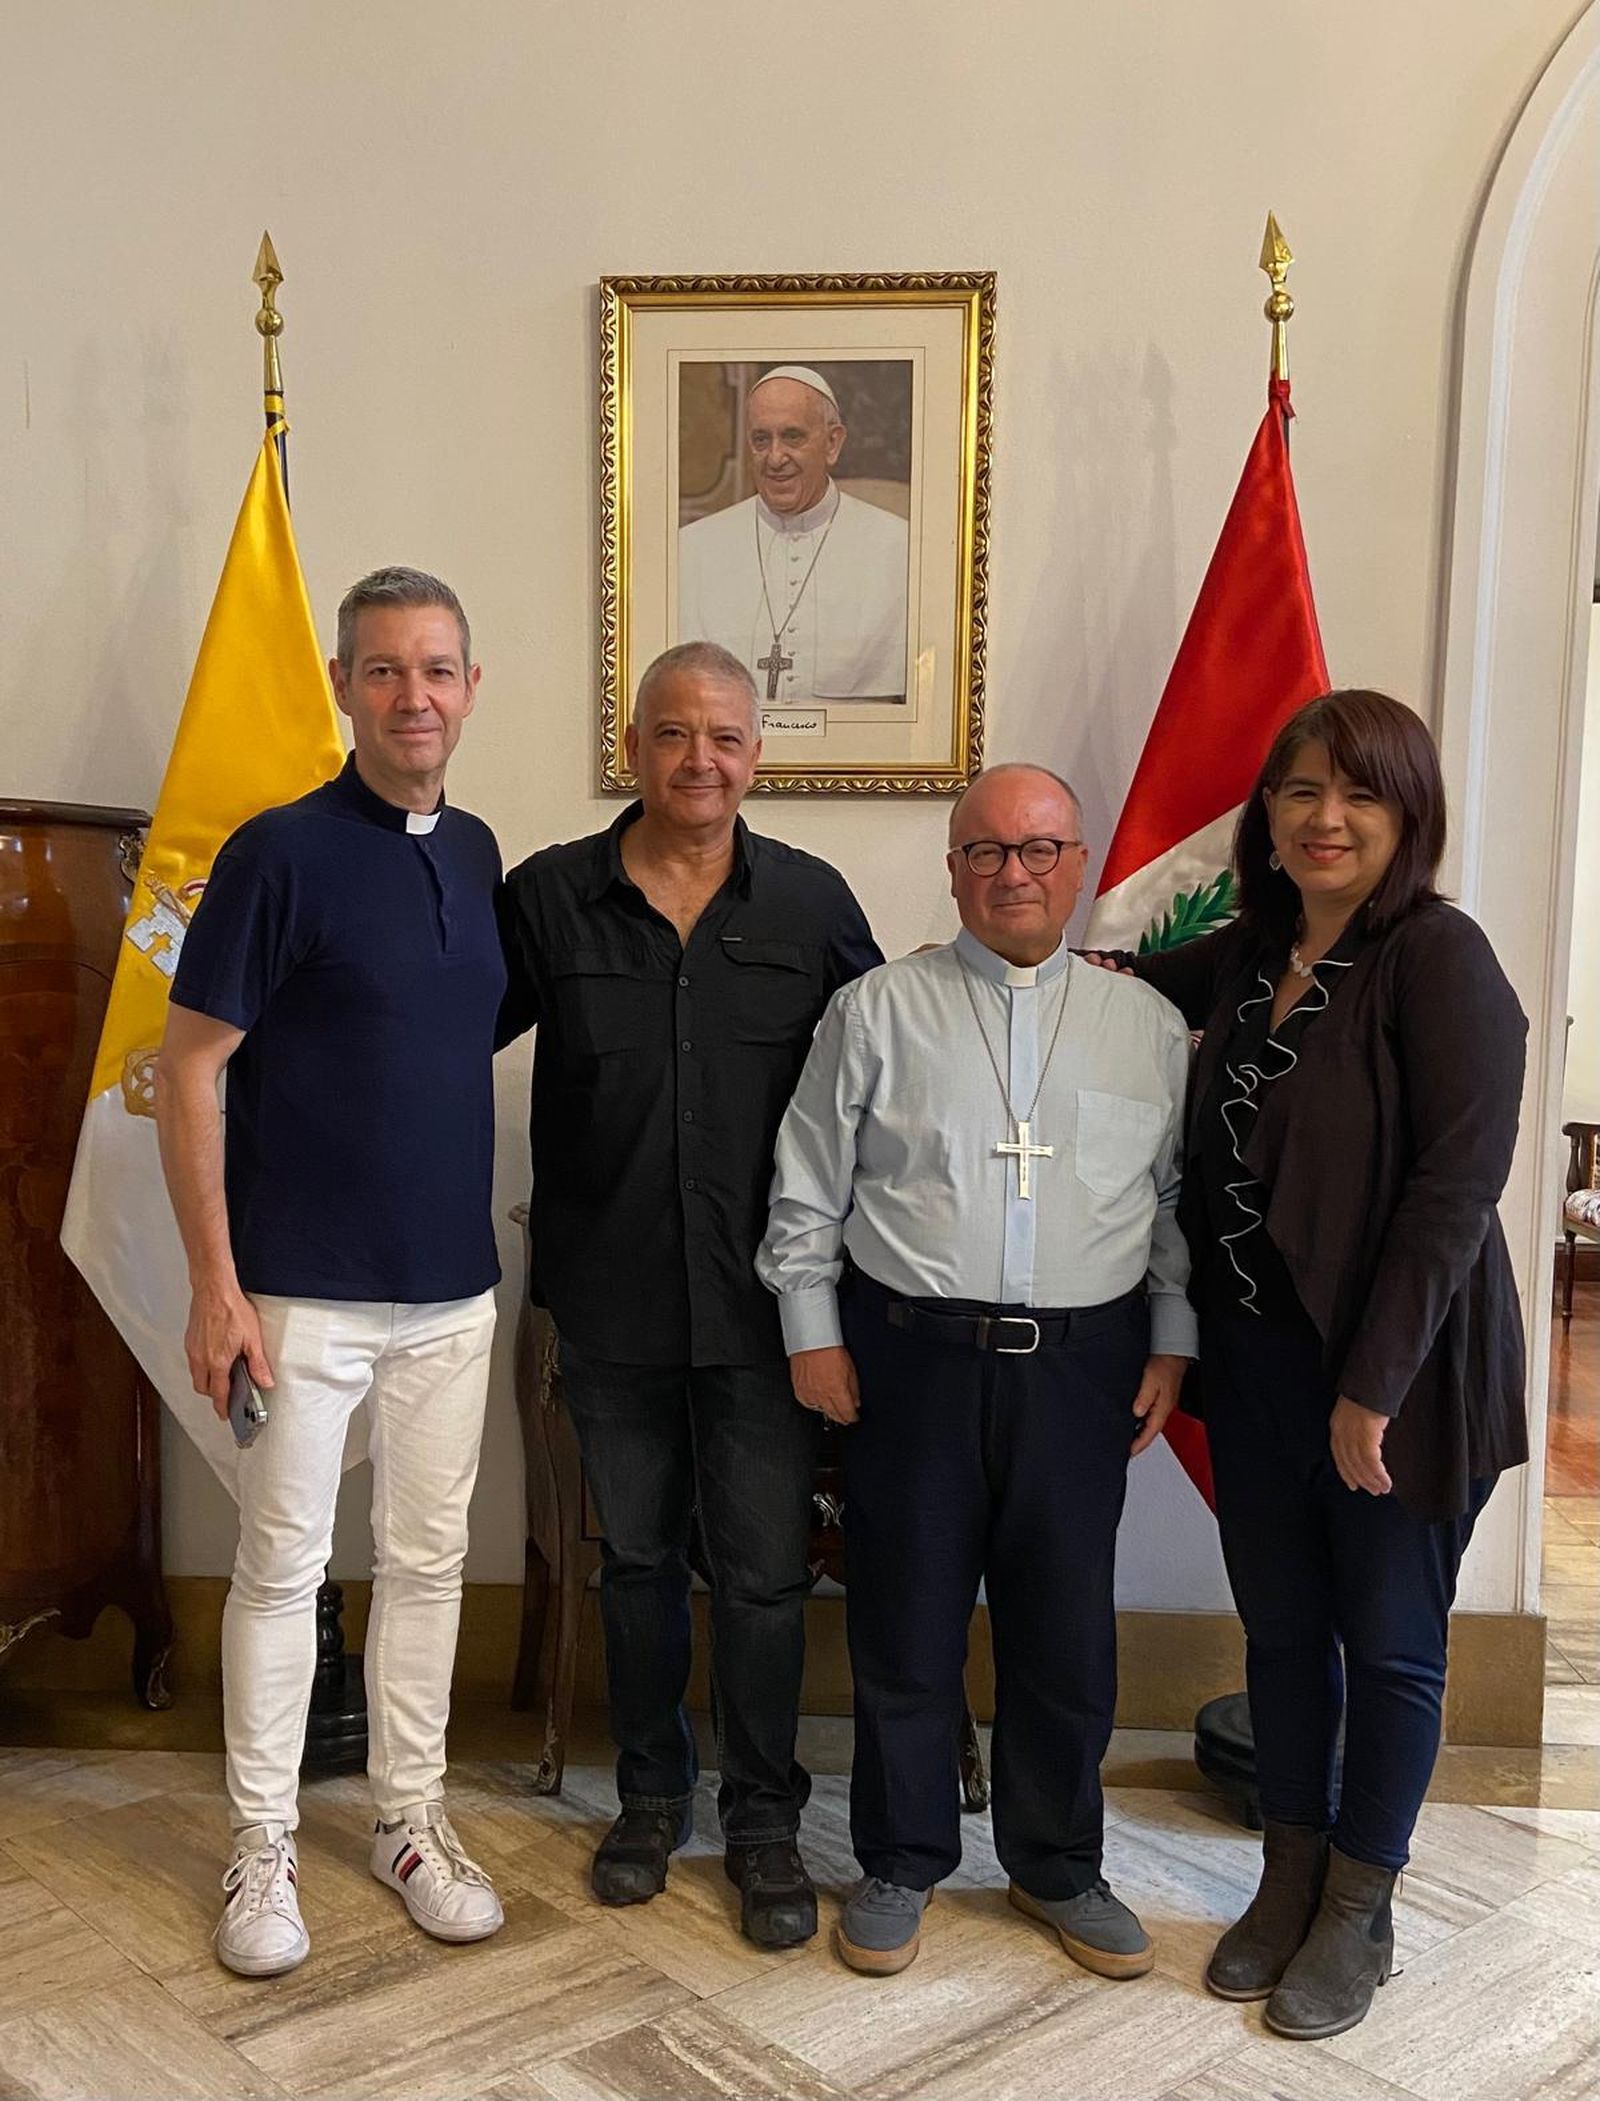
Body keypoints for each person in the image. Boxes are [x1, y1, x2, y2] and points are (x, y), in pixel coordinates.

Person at [1118, 688, 1527, 2042]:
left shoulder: (1439, 958)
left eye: (1358, 792)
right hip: (1256, 1367)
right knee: (1284, 1633)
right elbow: (1096, 989)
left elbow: (1454, 1192)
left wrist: (1374, 1387)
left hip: (1400, 1376)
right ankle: (1286, 1871)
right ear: (1268, 814)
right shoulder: (1249, 953)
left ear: (1410, 814)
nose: (1326, 817)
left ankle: (1361, 1904)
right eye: (1300, 789)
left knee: (1393, 1646)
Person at [758, 762, 1196, 1978]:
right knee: (905, 1623)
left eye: (1040, 849)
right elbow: (806, 1185)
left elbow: (1169, 1202)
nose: (1015, 873)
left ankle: (1059, 1866)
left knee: (1065, 1632)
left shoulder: (1145, 1027)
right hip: (912, 1361)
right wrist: (810, 1332)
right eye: (987, 851)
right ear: (952, 869)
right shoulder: (875, 1011)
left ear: (1079, 865)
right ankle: (900, 1859)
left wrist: (1172, 1339)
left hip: (1082, 1368)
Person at [496, 640, 880, 1949]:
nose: (698, 760)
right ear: (634, 748)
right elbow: (437, 1031)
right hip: (608, 1304)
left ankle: (764, 1818)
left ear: (755, 756)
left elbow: (886, 1078)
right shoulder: (550, 896)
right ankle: (652, 1797)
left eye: (723, 737)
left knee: (765, 1577)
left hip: (769, 1314)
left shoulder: (812, 904)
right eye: (672, 733)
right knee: (639, 1565)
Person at [155, 567, 507, 1978]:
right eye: (384, 670)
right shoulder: (277, 852)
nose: (414, 695)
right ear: (345, 687)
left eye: (437, 669)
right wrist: (214, 1284)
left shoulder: (474, 851)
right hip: (297, 1291)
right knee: (283, 1567)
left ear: (471, 689)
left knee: (428, 1563)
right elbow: (190, 1070)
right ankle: (262, 1843)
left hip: (454, 1292)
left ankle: (410, 1820)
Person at [677, 366, 910, 703]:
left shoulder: (899, 548)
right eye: (761, 439)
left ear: (832, 443)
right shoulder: (692, 549)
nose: (775, 458)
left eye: (793, 437)